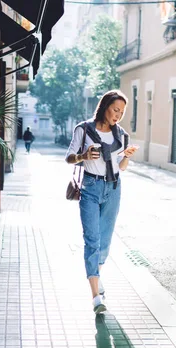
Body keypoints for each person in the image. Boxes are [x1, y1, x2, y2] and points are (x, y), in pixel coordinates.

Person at [65, 90, 139, 314]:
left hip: (113, 189)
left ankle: (96, 273)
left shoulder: (121, 135)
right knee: (92, 240)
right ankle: (96, 295)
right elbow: (69, 157)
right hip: (90, 188)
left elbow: (121, 167)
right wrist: (83, 156)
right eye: (116, 109)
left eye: (122, 112)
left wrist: (126, 156)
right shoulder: (84, 129)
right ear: (105, 106)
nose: (118, 115)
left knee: (105, 243)